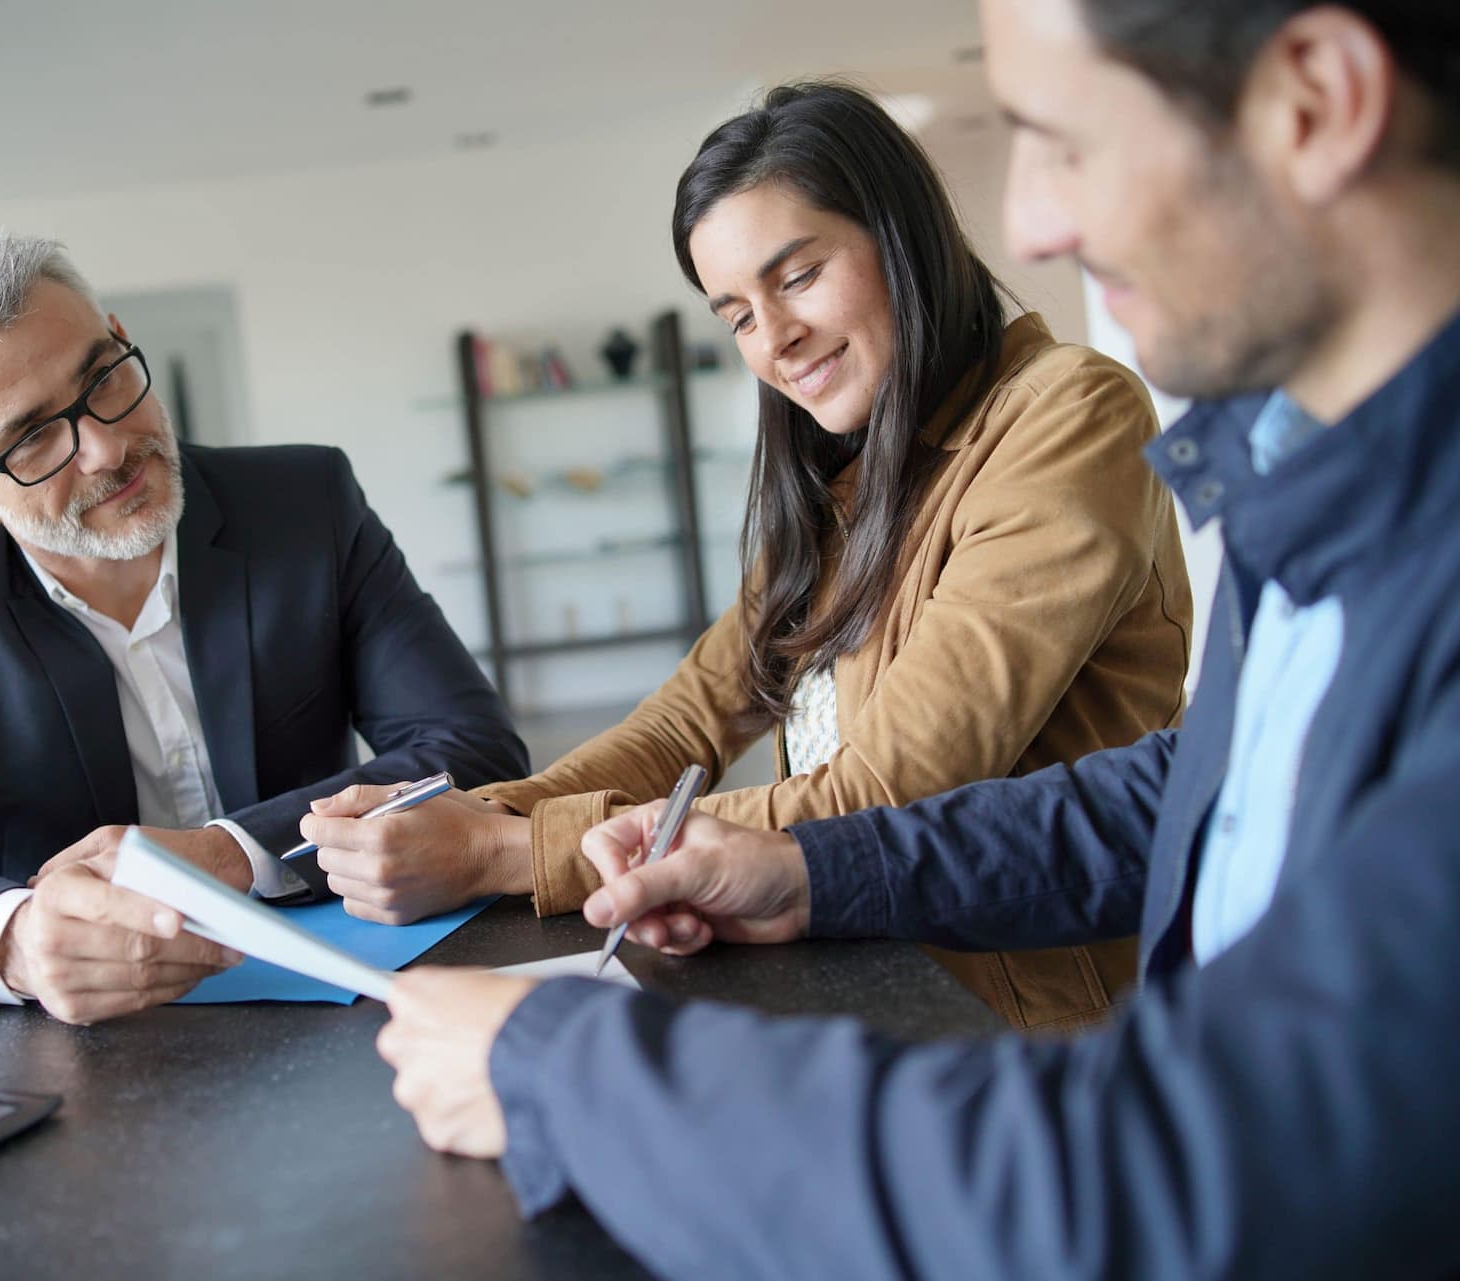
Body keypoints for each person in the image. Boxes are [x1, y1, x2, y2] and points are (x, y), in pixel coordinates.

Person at [376, 1, 1460, 1276]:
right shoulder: (1300, 479)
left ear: (1318, 103)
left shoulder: (1085, 420)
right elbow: (1181, 791)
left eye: (1064, 142)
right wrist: (800, 870)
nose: (1036, 224)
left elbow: (1181, 1168)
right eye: (735, 309)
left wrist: (555, 1043)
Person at [303, 80, 1192, 1032]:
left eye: (799, 276)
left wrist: (499, 853)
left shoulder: (1068, 413)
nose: (773, 339)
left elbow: (882, 799)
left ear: (904, 237)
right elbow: (683, 727)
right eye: (735, 314)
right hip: (865, 987)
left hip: (1042, 1032)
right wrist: (464, 814)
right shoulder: (846, 476)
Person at [0, 234, 527, 1024]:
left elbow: (469, 745)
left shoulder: (306, 502)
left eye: (103, 376)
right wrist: (17, 942)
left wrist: (229, 854)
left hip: (346, 990)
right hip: (83, 1041)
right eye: (32, 437)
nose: (108, 446)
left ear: (123, 338)